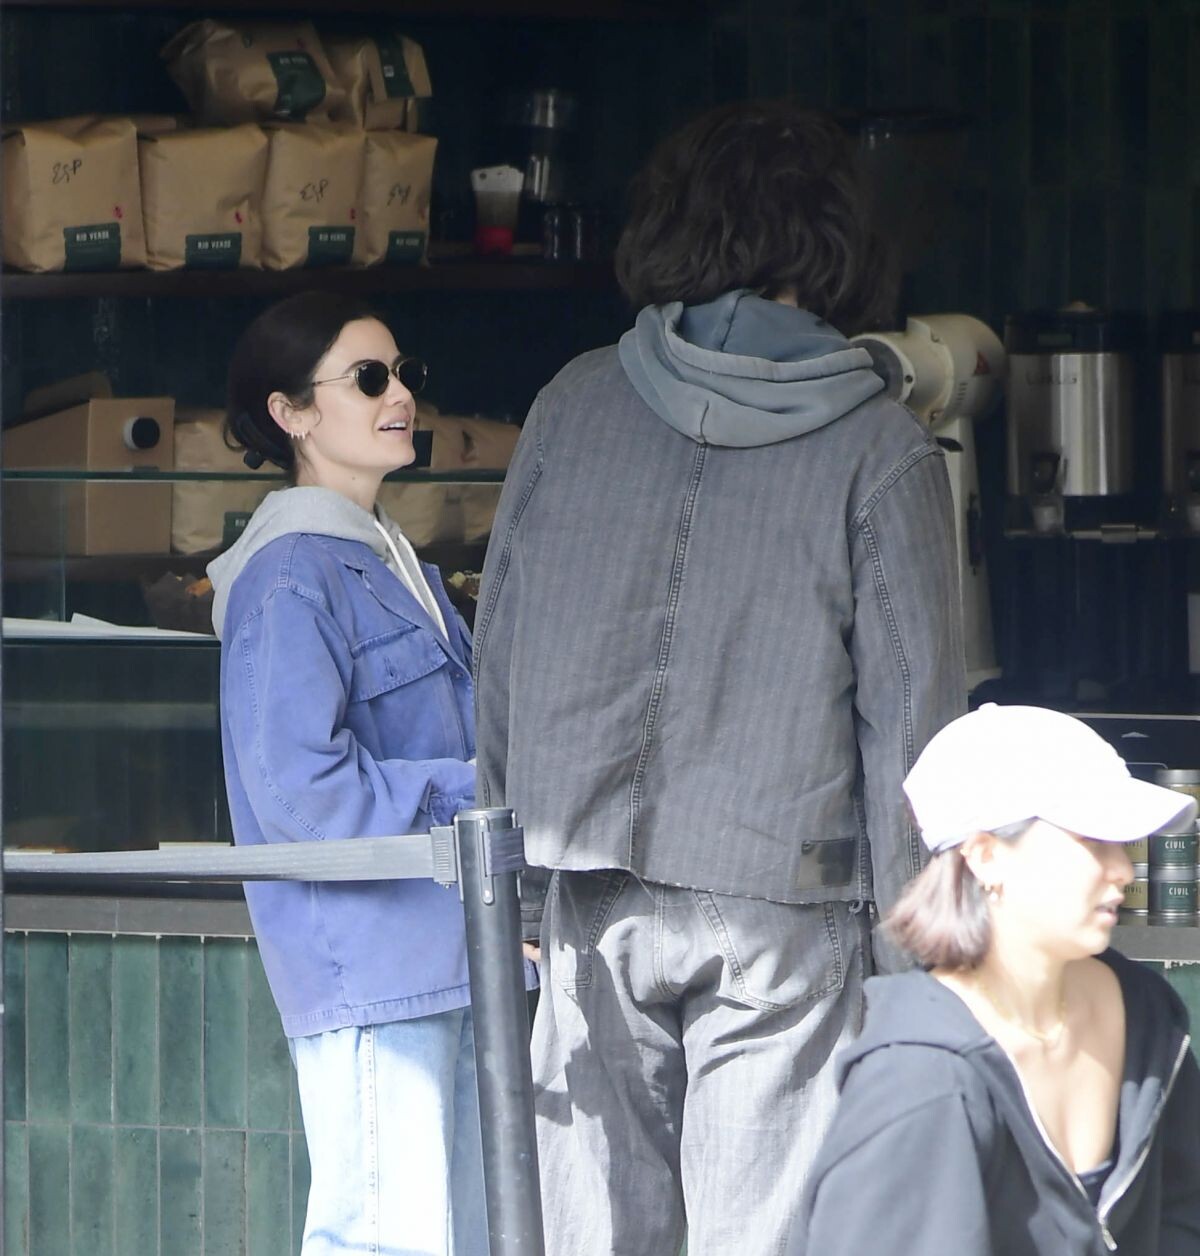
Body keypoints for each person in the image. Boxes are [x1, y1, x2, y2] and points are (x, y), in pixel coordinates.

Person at [473, 101, 965, 1256]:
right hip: (782, 904)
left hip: (586, 890)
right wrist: (919, 963)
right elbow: (912, 727)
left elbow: (498, 657)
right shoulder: (880, 446)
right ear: (837, 240)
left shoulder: (573, 405)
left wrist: (507, 891)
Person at [208, 292, 494, 1256]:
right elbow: (299, 790)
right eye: (369, 378)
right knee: (384, 1236)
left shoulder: (383, 559)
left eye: (406, 374)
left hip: (441, 956)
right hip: (372, 964)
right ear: (291, 412)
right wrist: (474, 801)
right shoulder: (291, 574)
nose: (400, 394)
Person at [791, 703, 1200, 1256]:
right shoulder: (919, 1081)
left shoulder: (1147, 1016)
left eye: (1121, 842)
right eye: (1091, 840)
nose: (1123, 869)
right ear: (985, 856)